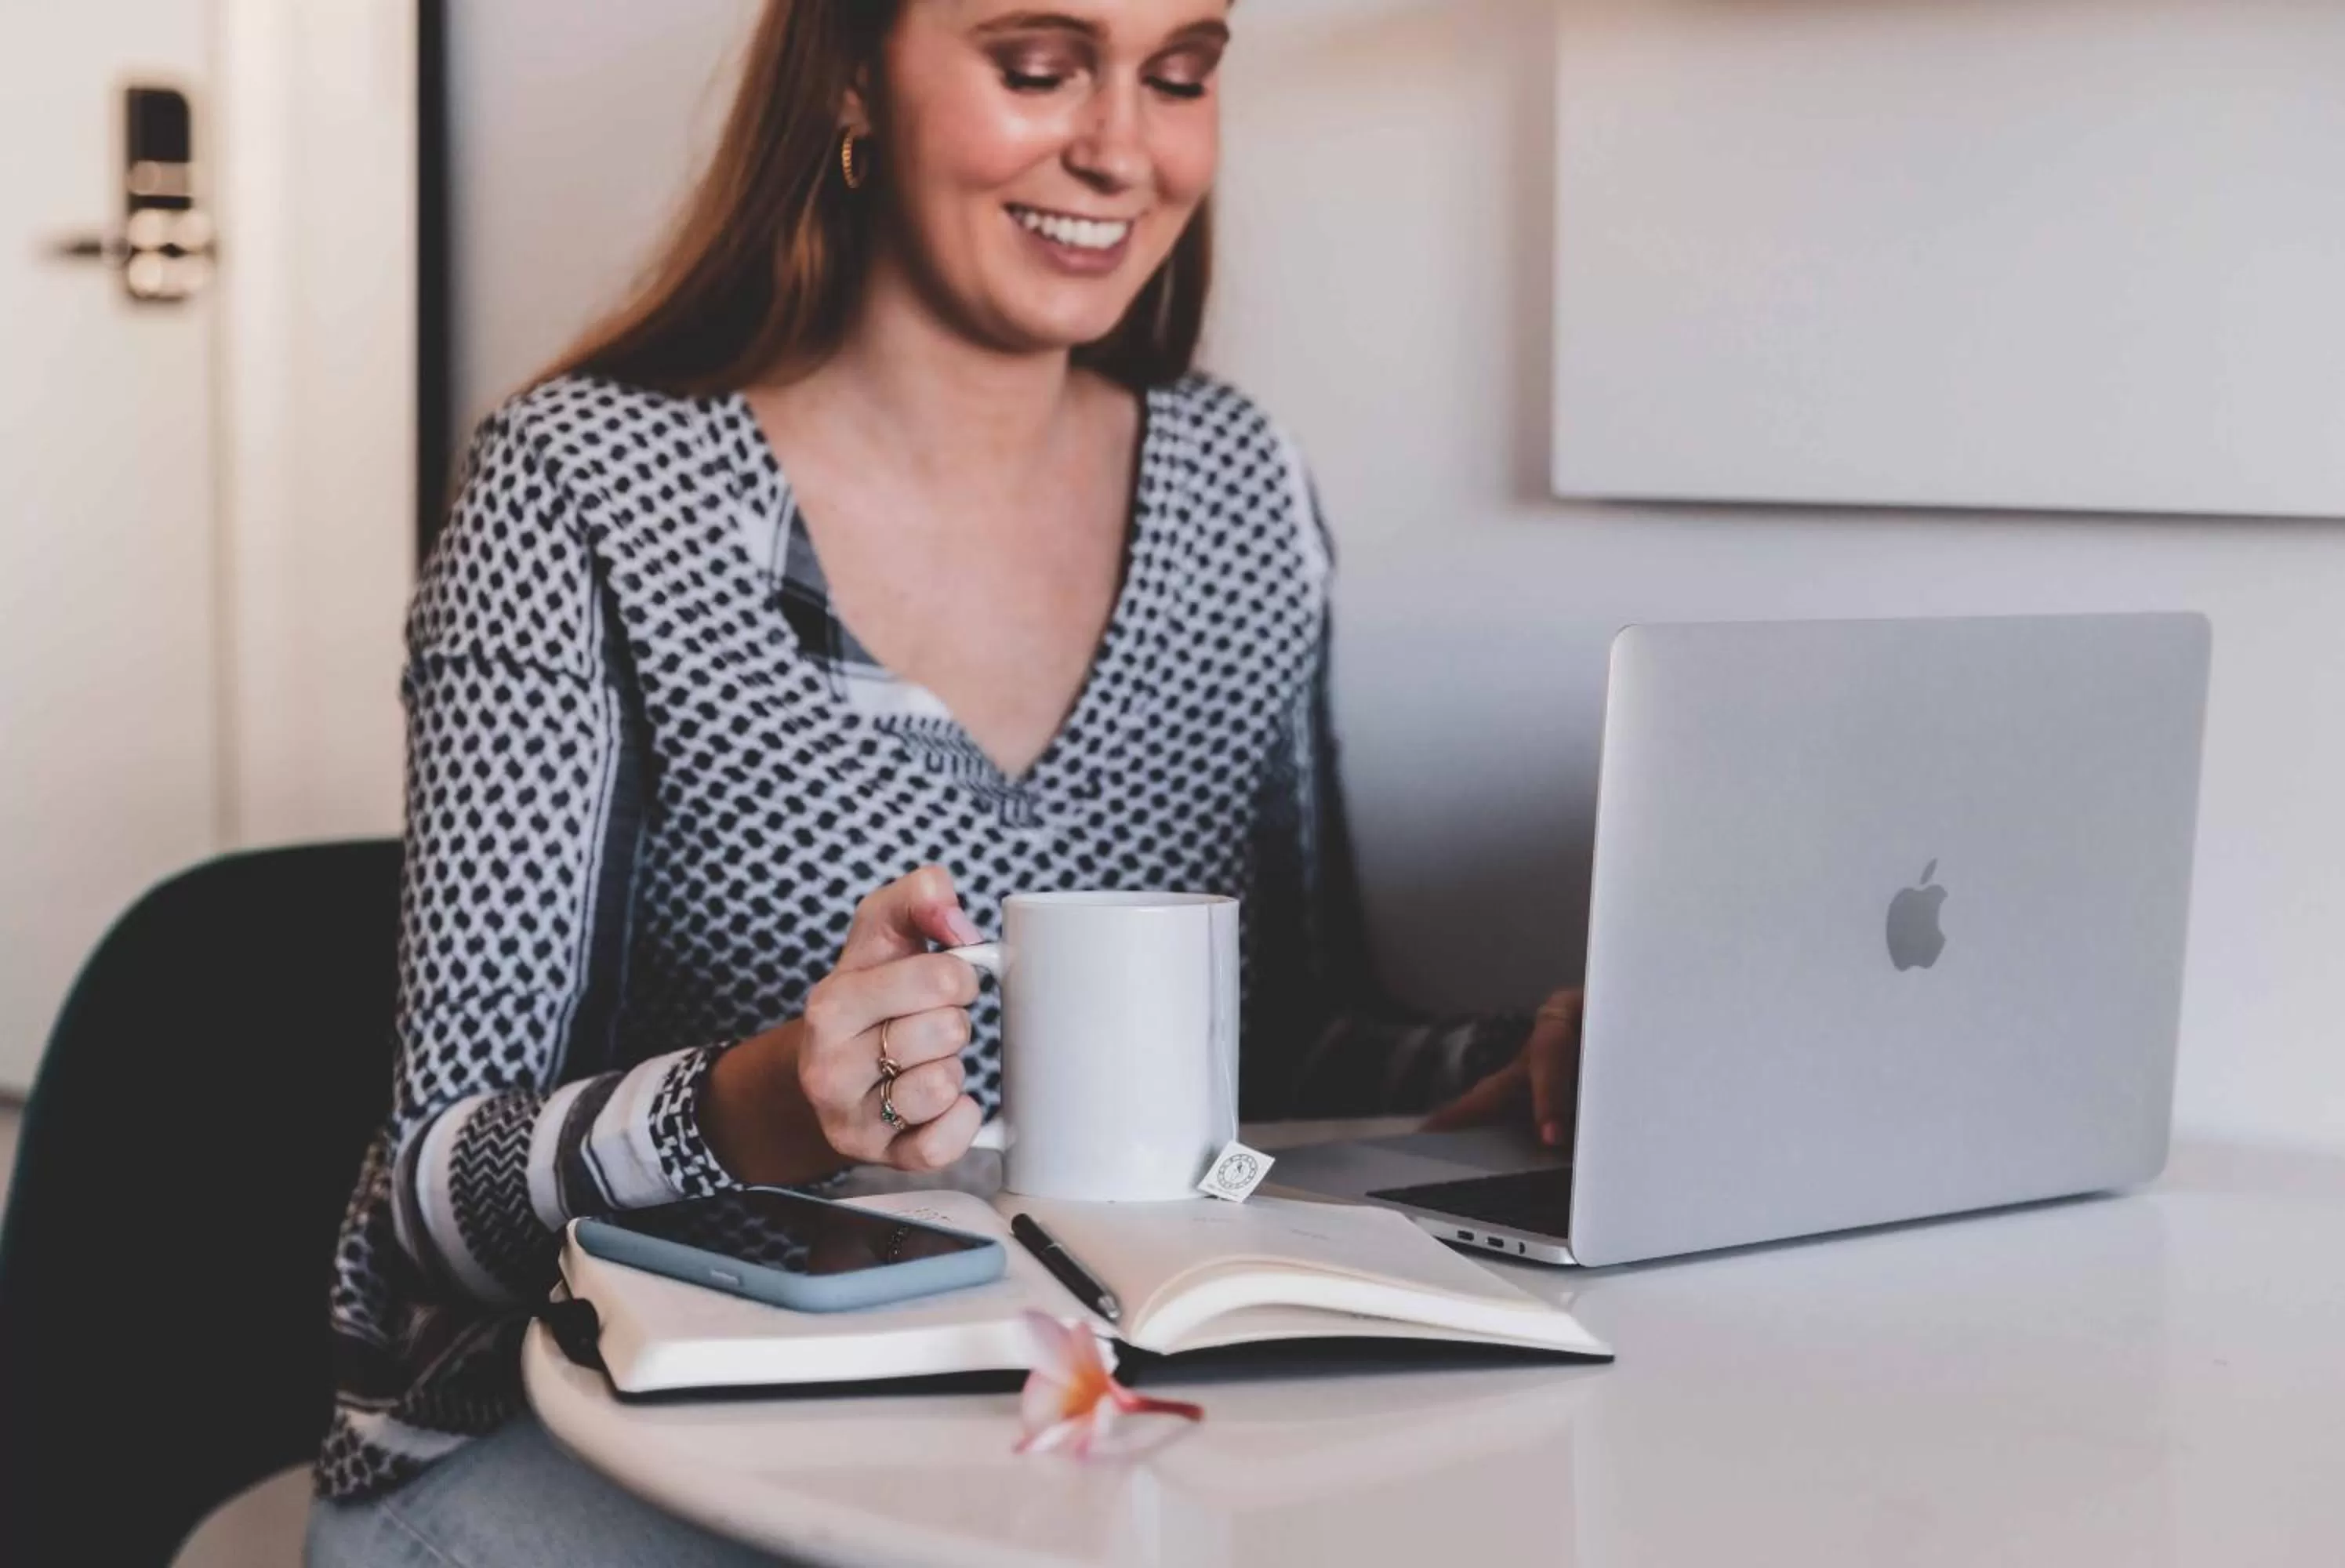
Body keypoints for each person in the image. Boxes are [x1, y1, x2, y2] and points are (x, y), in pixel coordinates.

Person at [307, 2, 1580, 1561]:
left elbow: (1283, 1044)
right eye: (1038, 68)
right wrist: (765, 1100)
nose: (1120, 147)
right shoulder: (585, 491)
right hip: (600, 1441)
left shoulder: (1236, 489)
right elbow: (437, 1190)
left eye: (1179, 76)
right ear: (851, 75)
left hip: (1055, 1442)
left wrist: (1533, 1062)